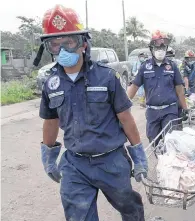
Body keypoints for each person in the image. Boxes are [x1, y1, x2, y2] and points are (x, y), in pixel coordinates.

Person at [38, 5, 147, 221]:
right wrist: (49, 156)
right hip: (75, 164)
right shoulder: (51, 83)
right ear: (48, 47)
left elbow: (126, 118)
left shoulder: (107, 77)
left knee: (130, 208)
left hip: (111, 161)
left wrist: (138, 155)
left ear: (83, 44)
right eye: (55, 44)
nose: (63, 50)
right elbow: (51, 121)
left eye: (69, 42)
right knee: (78, 216)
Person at [127, 30, 188, 145]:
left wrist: (185, 108)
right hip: (152, 112)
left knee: (170, 141)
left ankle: (169, 161)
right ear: (152, 49)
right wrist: (123, 106)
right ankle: (161, 160)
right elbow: (134, 86)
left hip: (169, 110)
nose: (160, 51)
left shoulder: (172, 66)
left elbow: (179, 89)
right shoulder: (145, 67)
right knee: (154, 141)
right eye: (157, 48)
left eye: (163, 48)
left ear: (166, 49)